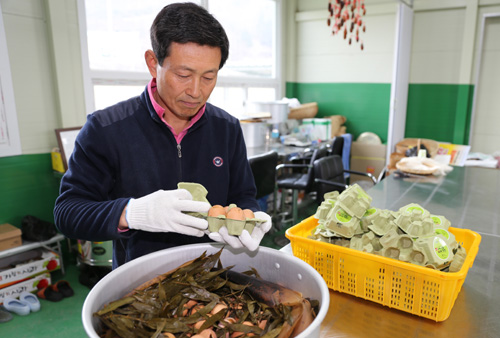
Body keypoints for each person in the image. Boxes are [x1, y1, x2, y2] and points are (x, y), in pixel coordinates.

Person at [54, 3, 272, 269]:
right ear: (152, 63)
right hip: (141, 284)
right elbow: (67, 212)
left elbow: (243, 194)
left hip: (213, 276)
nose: (196, 91)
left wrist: (247, 219)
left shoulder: (226, 128)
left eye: (208, 77)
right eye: (183, 74)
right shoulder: (106, 128)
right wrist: (131, 213)